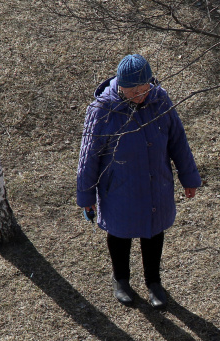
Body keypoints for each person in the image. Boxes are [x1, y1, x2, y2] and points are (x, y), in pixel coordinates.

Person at [76, 53, 201, 308]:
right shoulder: (102, 110)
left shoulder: (160, 100)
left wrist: (189, 178)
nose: (140, 96)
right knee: (120, 234)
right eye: (134, 91)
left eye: (144, 89)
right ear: (120, 86)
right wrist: (87, 196)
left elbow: (178, 141)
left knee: (154, 232)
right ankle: (121, 280)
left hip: (157, 185)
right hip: (119, 188)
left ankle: (154, 282)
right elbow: (88, 155)